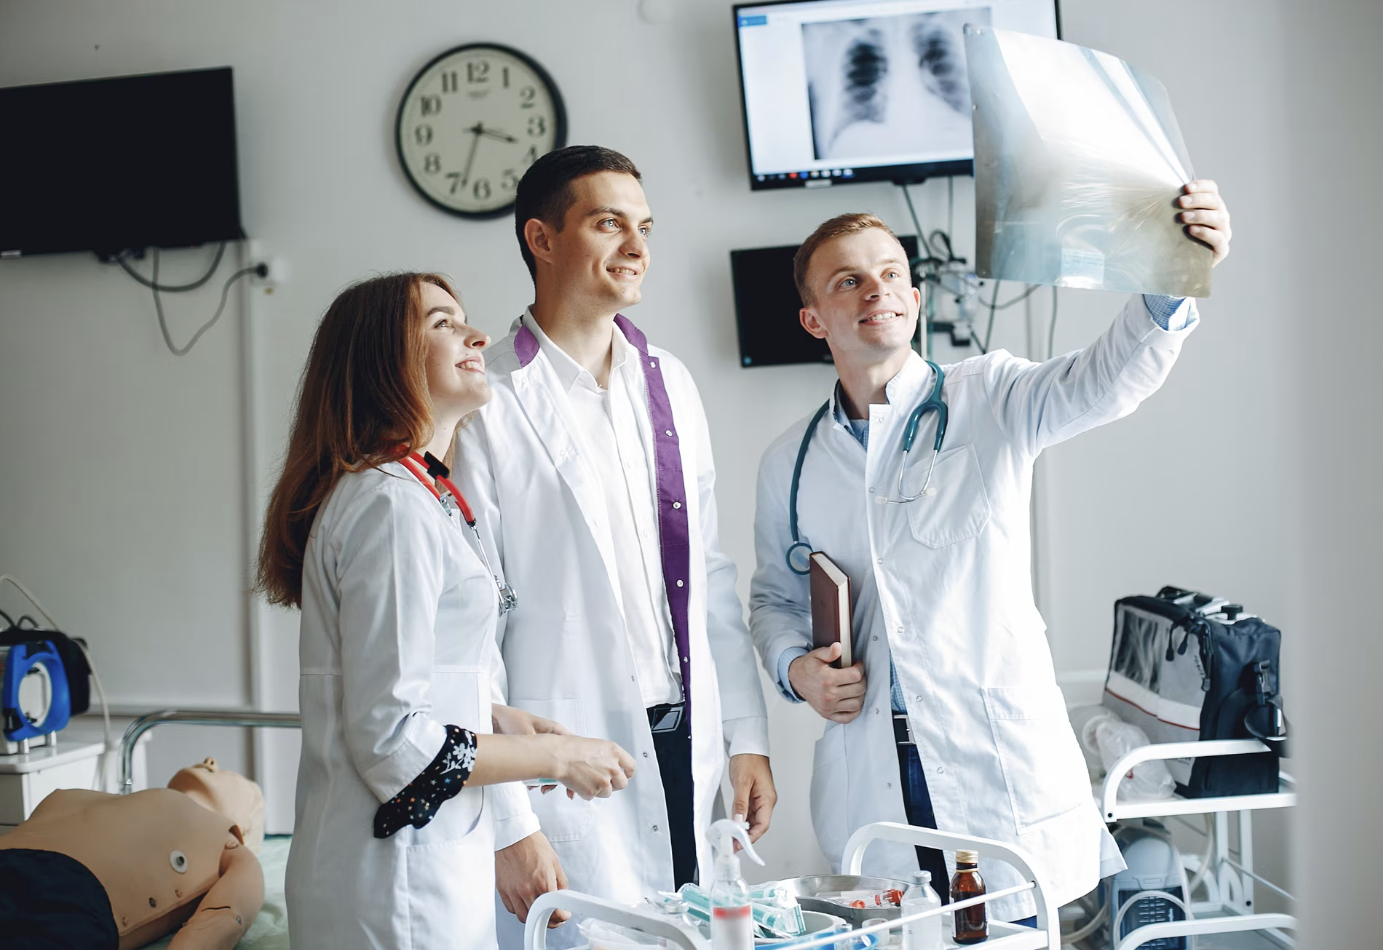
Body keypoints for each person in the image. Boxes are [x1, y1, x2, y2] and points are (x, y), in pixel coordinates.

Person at [748, 184, 1233, 923]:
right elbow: (773, 599)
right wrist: (795, 669)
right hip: (872, 768)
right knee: (889, 934)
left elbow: (1106, 378)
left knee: (1008, 935)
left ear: (912, 296)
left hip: (989, 762)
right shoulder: (792, 461)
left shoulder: (990, 397)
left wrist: (1171, 280)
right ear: (815, 319)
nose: (876, 289)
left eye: (890, 273)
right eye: (848, 280)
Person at [451, 146, 776, 948]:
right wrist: (510, 822)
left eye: (645, 227)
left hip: (685, 739)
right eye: (609, 223)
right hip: (563, 761)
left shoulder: (668, 381)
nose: (638, 246)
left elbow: (707, 575)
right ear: (542, 238)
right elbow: (467, 635)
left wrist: (748, 735)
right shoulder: (483, 403)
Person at [255, 272, 635, 950]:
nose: (476, 336)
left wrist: (496, 716)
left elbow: (409, 679)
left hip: (424, 870)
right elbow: (393, 739)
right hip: (392, 887)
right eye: (440, 323)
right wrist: (551, 755)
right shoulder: (388, 504)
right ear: (383, 361)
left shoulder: (418, 494)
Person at [0, 758, 265, 950]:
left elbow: (225, 916)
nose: (211, 763)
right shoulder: (224, 839)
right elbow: (225, 918)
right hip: (65, 889)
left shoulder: (78, 799)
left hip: (49, 879)